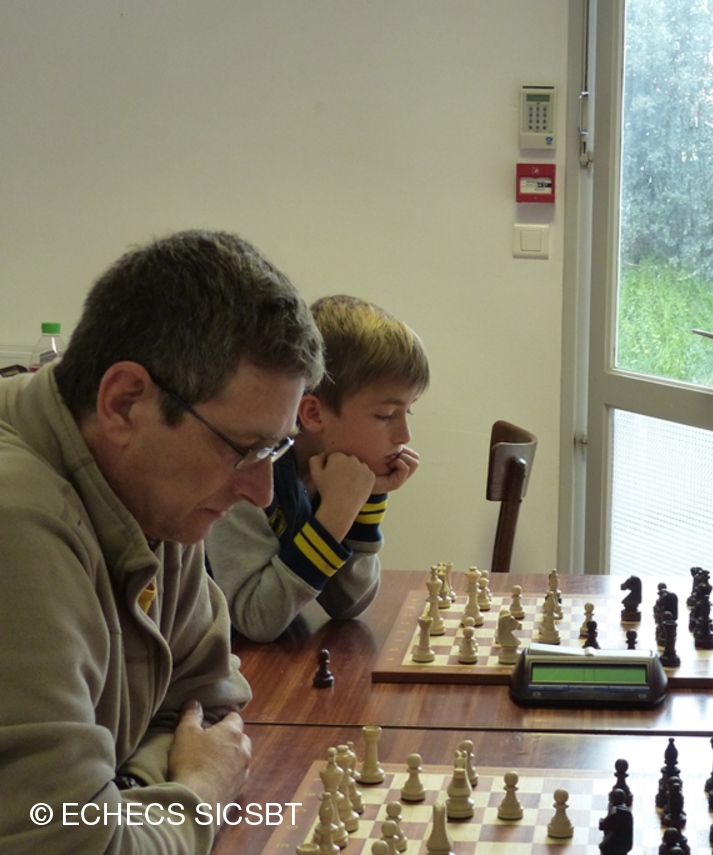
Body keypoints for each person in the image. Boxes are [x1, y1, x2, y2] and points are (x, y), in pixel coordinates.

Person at [0, 230, 324, 853]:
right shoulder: (16, 521)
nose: (261, 492)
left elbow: (209, 705)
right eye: (244, 449)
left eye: (276, 449)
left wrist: (121, 798)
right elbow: (73, 845)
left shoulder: (151, 488)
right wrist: (200, 790)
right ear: (125, 402)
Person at [205, 295, 429, 642]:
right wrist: (336, 515)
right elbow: (256, 619)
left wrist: (367, 496)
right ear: (312, 414)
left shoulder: (330, 472)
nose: (404, 436)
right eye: (386, 415)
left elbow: (347, 603)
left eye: (408, 411)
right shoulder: (248, 475)